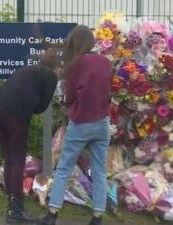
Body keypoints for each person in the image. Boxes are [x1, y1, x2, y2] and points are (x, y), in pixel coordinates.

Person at [38, 25, 111, 225]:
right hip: (103, 122)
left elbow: (69, 98)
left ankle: (52, 214)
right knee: (99, 171)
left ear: (74, 43)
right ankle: (97, 217)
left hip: (80, 122)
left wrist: (68, 104)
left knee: (64, 168)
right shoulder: (106, 62)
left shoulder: (75, 65)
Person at [0, 50, 59, 224]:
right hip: (16, 114)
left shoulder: (27, 70)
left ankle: (12, 206)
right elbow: (41, 107)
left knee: (9, 158)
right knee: (18, 160)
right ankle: (16, 211)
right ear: (56, 66)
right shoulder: (50, 75)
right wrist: (34, 101)